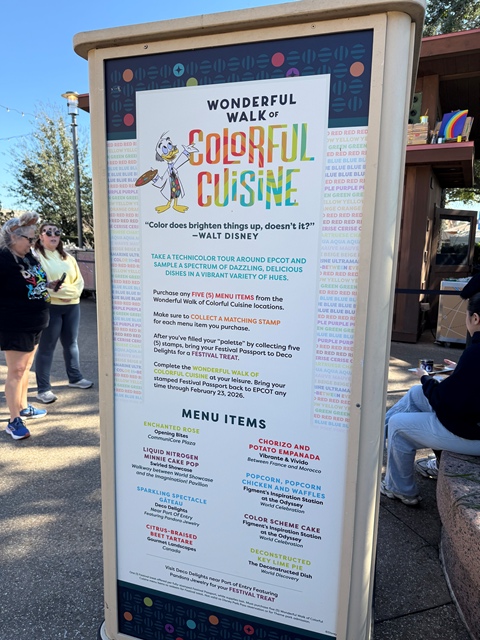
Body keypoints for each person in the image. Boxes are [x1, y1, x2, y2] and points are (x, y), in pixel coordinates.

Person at [381, 292, 480, 505]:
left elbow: (446, 401)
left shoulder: (475, 352)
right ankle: (375, 438)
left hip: (471, 432)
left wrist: (426, 378)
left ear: (475, 318)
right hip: (471, 422)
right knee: (416, 394)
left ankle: (399, 489)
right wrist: (460, 371)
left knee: (399, 425)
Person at [0, 213, 59, 440]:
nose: (33, 243)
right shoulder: (3, 260)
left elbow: (33, 281)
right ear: (14, 237)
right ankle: (14, 420)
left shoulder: (29, 257)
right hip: (15, 324)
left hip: (36, 321)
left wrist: (49, 284)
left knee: (25, 368)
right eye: (30, 239)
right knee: (16, 371)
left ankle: (23, 407)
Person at [33, 222, 92, 404]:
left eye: (56, 232)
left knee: (71, 343)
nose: (53, 235)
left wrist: (67, 292)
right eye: (48, 232)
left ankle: (75, 378)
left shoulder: (68, 258)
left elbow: (79, 283)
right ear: (41, 236)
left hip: (72, 306)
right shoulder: (36, 257)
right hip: (51, 307)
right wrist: (65, 292)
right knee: (47, 347)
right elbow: (40, 285)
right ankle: (43, 389)